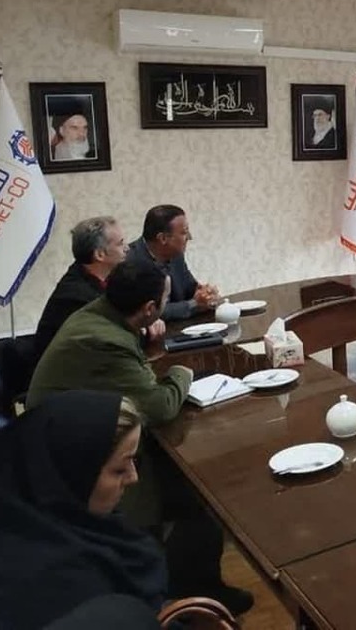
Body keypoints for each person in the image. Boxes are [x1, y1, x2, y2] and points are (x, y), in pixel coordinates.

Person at [26, 261, 252, 616]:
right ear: (149, 309)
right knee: (192, 485)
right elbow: (160, 406)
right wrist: (182, 372)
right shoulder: (106, 340)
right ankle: (176, 590)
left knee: (189, 482)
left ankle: (190, 579)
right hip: (69, 457)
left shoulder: (99, 315)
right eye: (164, 299)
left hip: (72, 430)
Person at [0, 391, 167, 629]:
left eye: (135, 461)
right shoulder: (69, 587)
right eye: (119, 469)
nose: (133, 477)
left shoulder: (4, 510)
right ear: (76, 474)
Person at [34, 216, 132, 361]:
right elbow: (116, 337)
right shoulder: (78, 296)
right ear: (99, 254)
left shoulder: (105, 277)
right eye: (120, 244)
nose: (127, 248)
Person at [126, 204, 220, 321]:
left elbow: (190, 289)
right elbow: (148, 312)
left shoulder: (175, 254)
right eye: (184, 232)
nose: (189, 237)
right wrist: (194, 304)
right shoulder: (130, 261)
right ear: (163, 238)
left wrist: (207, 295)